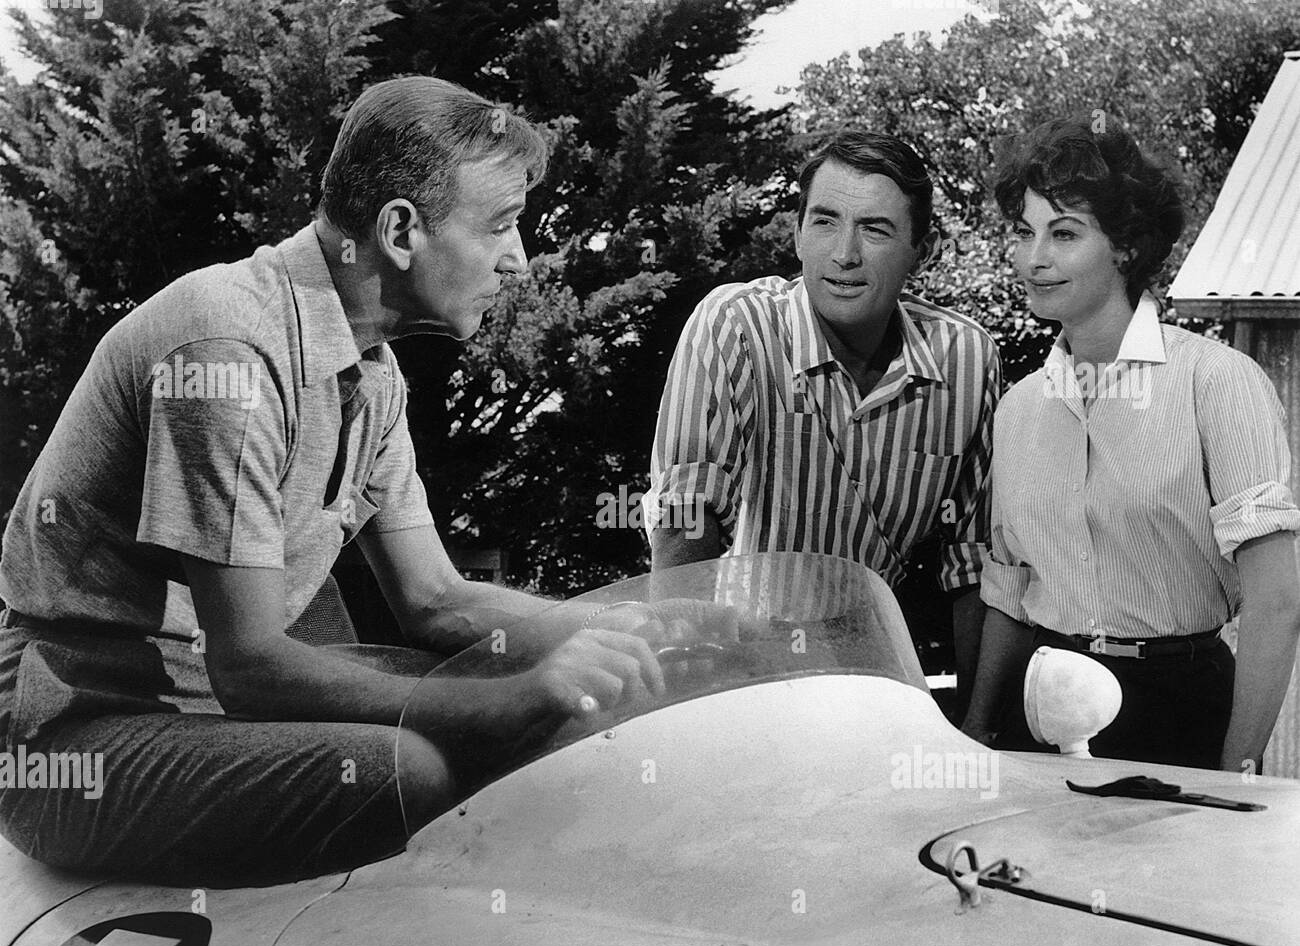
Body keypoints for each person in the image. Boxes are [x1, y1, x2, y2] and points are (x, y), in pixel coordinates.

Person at [0, 77, 685, 886]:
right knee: (412, 767)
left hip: (209, 718)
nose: (520, 259)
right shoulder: (229, 353)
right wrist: (518, 696)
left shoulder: (373, 375)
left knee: (557, 709)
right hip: (80, 737)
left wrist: (635, 627)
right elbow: (250, 666)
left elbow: (439, 599)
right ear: (401, 229)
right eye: (501, 225)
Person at [961, 117, 1300, 773]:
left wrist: (1237, 775)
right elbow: (1009, 587)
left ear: (1125, 247)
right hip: (1042, 709)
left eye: (1063, 233)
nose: (1035, 257)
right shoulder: (1017, 408)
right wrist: (978, 730)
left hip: (1179, 710)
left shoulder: (1217, 381)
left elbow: (1277, 600)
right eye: (1023, 233)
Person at [646, 129, 1002, 710]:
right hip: (732, 671)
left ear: (924, 247)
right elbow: (686, 520)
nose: (845, 254)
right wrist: (691, 690)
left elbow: (974, 562)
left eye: (876, 228)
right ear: (797, 233)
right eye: (825, 221)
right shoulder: (735, 325)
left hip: (872, 679)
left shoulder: (967, 358)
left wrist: (981, 728)